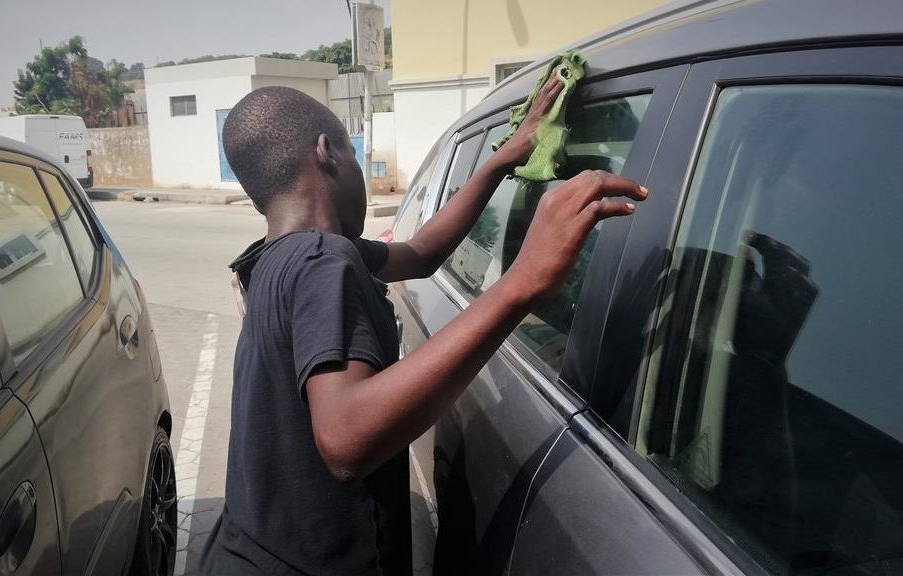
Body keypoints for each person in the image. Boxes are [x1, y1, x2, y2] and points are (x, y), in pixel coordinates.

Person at [201, 78, 648, 576]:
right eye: (353, 152)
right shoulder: (322, 260)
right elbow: (345, 440)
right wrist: (523, 283)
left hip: (244, 550)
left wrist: (500, 161)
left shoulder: (276, 256)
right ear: (327, 152)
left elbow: (421, 253)